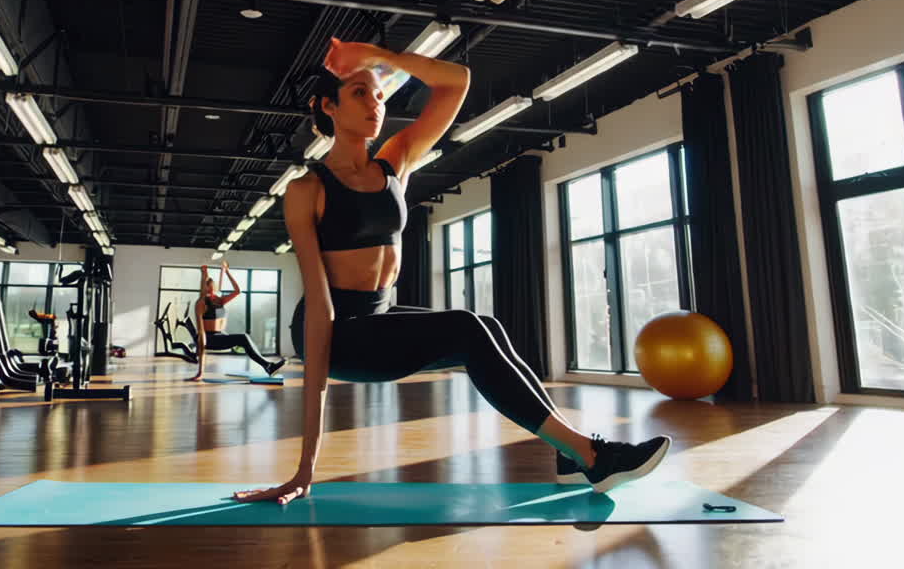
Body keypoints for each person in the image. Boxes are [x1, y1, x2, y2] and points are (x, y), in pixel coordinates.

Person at [234, 38, 670, 505]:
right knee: (465, 328)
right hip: (339, 332)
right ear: (327, 107)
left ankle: (568, 453)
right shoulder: (307, 189)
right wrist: (305, 468)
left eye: (380, 96)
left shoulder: (396, 161)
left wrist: (381, 58)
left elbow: (456, 82)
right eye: (360, 93)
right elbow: (320, 308)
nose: (375, 105)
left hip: (378, 316)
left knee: (487, 327)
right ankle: (593, 456)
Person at [187, 260, 286, 382]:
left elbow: (237, 291)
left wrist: (227, 271)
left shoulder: (219, 300)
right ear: (204, 286)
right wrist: (201, 371)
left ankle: (267, 366)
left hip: (220, 336)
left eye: (211, 284)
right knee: (243, 337)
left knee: (245, 339)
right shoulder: (201, 303)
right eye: (207, 284)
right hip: (209, 339)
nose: (210, 287)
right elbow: (201, 333)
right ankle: (267, 365)